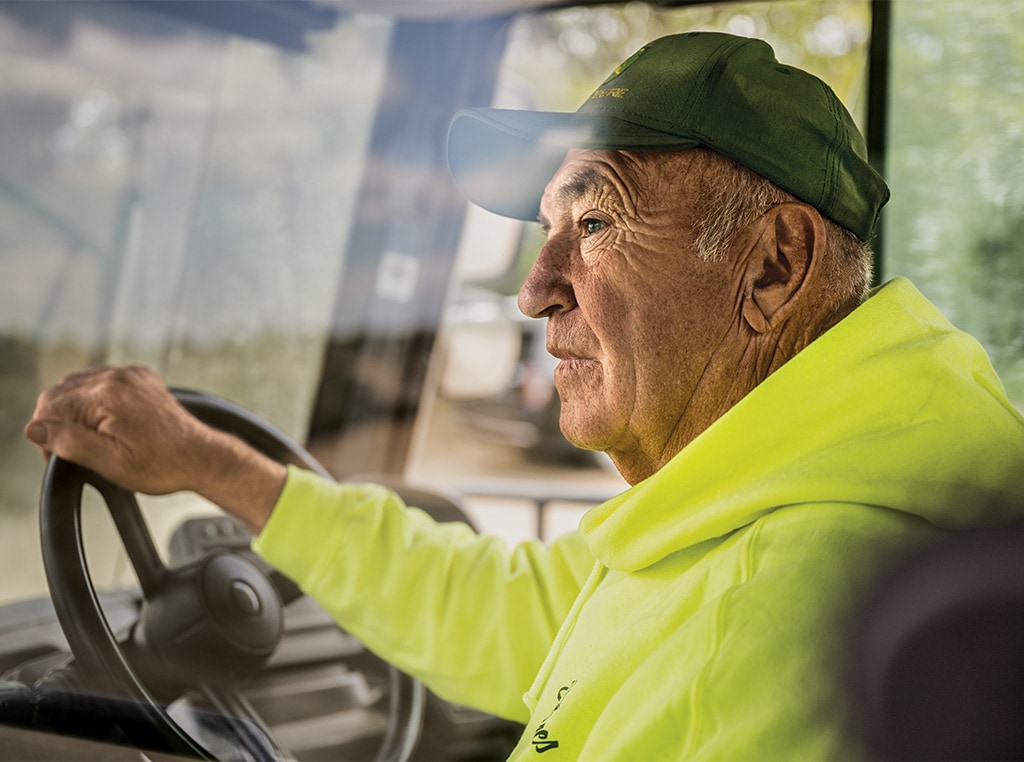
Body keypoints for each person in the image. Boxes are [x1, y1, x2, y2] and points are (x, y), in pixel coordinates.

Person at [24, 32, 1024, 760]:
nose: (534, 287)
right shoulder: (734, 517)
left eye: (593, 220)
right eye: (548, 224)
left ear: (770, 268)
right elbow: (510, 614)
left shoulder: (787, 615)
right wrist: (212, 465)